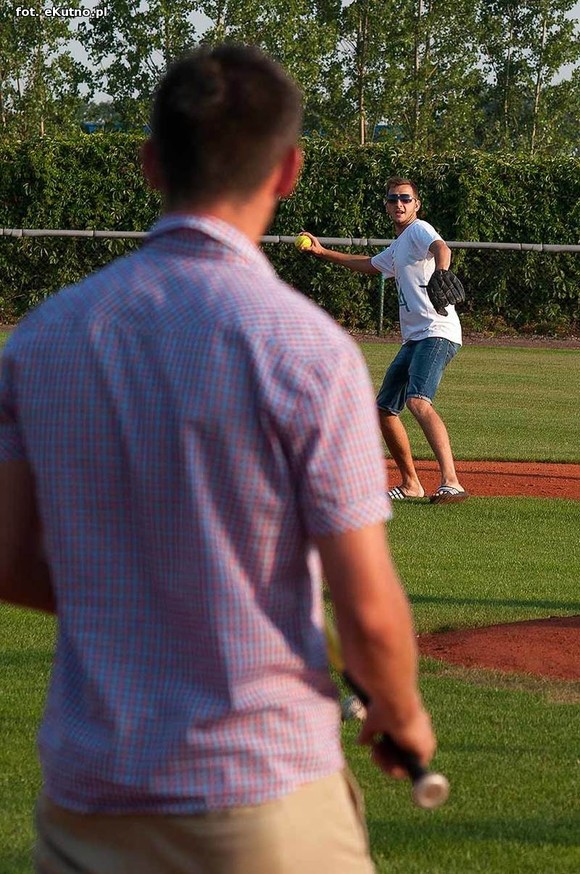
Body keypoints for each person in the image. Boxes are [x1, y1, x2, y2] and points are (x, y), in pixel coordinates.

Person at [0, 46, 436, 874]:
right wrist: (402, 708)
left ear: (149, 163)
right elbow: (370, 610)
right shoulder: (309, 350)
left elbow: (9, 557)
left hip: (89, 799)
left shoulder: (44, 336)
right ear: (288, 171)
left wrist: (135, 594)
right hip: (260, 791)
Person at [299, 177, 469, 504]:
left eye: (405, 198)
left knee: (418, 401)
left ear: (416, 204)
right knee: (384, 409)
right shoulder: (398, 245)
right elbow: (369, 265)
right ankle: (411, 483)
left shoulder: (418, 230)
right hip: (414, 338)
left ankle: (452, 481)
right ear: (387, 205)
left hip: (437, 331)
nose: (399, 204)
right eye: (393, 199)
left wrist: (441, 272)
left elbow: (441, 248)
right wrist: (321, 252)